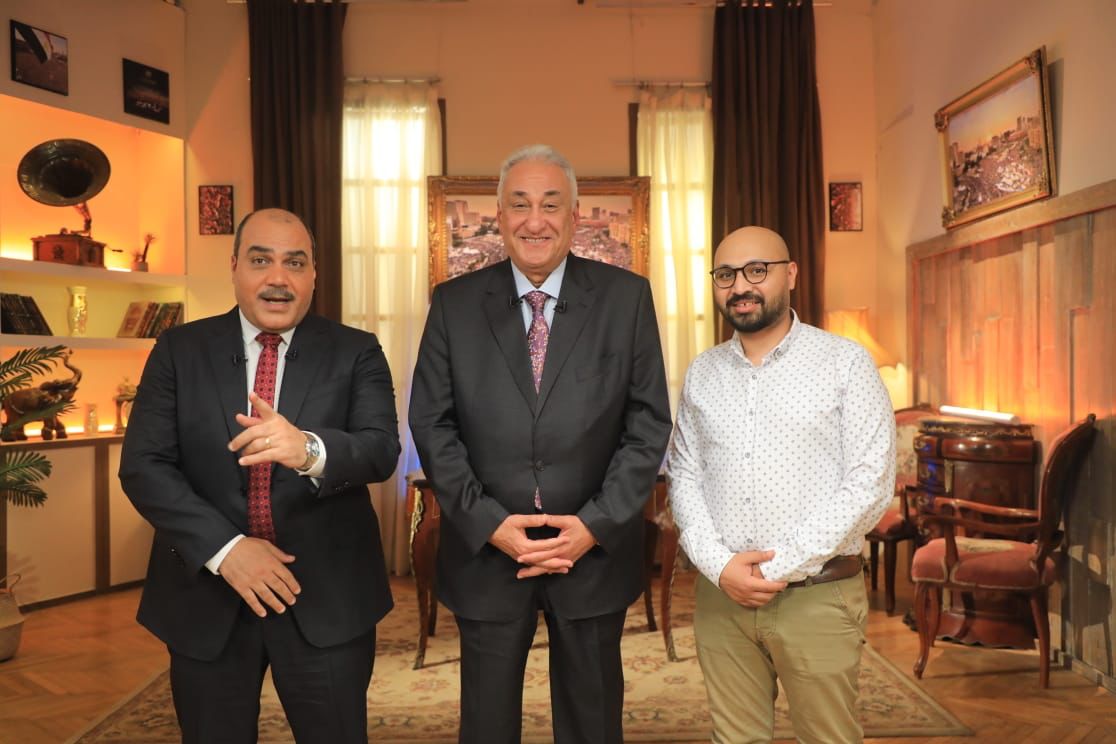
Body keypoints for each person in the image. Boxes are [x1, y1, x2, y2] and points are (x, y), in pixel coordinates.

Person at [409, 144, 672, 744]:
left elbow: (647, 424)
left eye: (551, 205)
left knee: (592, 724)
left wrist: (595, 524)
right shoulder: (453, 304)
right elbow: (432, 422)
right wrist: (489, 523)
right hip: (489, 555)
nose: (535, 220)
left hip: (592, 554)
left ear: (574, 216)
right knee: (487, 726)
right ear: (499, 216)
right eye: (520, 204)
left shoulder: (626, 298)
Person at [119, 208, 400, 744]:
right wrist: (227, 550)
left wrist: (307, 449)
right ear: (234, 267)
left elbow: (381, 450)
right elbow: (144, 466)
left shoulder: (357, 350)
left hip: (327, 598)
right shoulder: (178, 349)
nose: (278, 278)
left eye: (295, 263)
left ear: (314, 274)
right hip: (207, 595)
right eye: (260, 260)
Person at [666, 226, 896, 743]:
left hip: (817, 595)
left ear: (790, 274)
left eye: (757, 270)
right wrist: (720, 566)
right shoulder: (703, 372)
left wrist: (775, 567)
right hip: (722, 598)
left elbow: (871, 483)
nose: (740, 286)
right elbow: (683, 473)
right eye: (726, 275)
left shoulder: (845, 362)